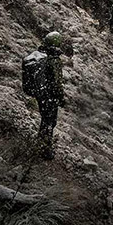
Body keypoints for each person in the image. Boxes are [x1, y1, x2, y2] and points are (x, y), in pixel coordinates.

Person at [23, 31, 74, 160]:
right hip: (49, 95)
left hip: (40, 94)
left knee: (45, 120)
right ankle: (44, 149)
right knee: (49, 122)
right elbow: (57, 82)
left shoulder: (39, 57)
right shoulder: (53, 60)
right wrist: (61, 98)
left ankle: (40, 146)